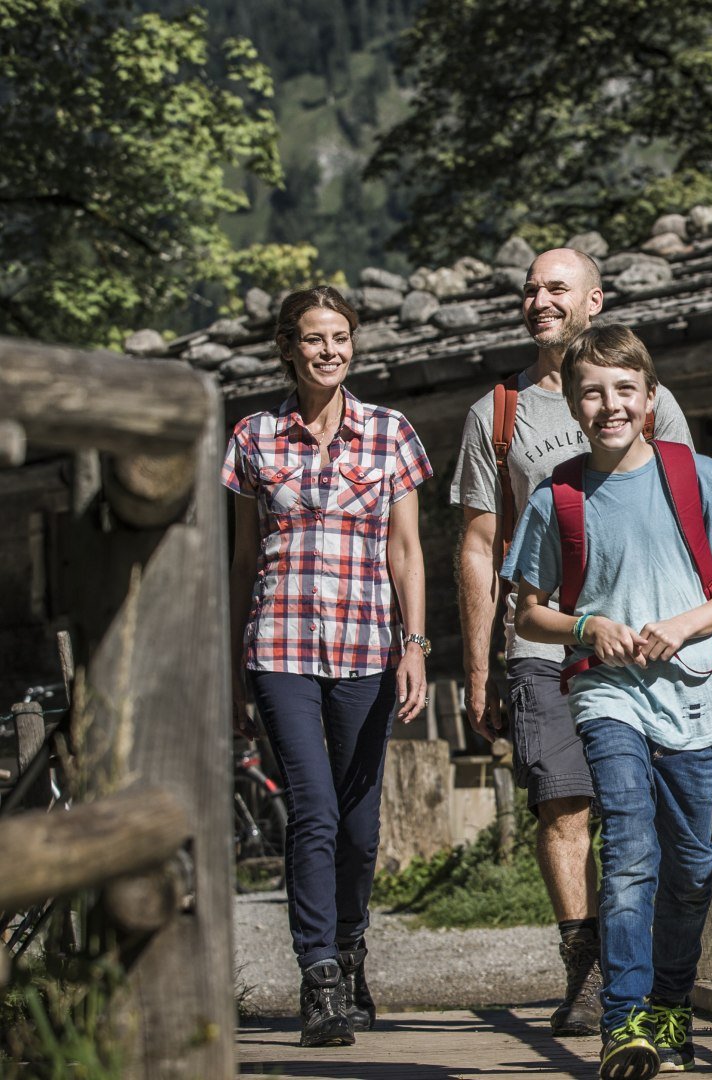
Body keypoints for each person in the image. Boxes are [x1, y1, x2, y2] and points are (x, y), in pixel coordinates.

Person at [506, 324, 712, 1078]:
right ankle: (624, 1021)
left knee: (690, 865)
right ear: (574, 405)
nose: (609, 405)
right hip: (606, 694)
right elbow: (527, 612)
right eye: (592, 392)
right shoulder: (560, 496)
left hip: (688, 696)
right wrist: (588, 624)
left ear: (650, 400)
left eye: (625, 390)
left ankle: (671, 1005)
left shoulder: (696, 478)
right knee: (627, 851)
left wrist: (686, 624)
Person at [448, 247, 691, 1035]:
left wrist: (689, 635)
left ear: (595, 299)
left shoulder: (650, 402)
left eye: (556, 288)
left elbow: (685, 521)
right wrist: (479, 667)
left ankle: (643, 967)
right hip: (543, 647)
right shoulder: (499, 413)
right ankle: (587, 975)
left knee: (641, 814)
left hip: (642, 648)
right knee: (564, 808)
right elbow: (480, 547)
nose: (539, 300)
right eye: (529, 289)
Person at [224, 286, 431, 1048]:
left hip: (368, 650)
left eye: (340, 337)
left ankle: (349, 949)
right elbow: (244, 558)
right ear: (289, 347)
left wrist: (415, 646)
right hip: (279, 647)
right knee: (311, 807)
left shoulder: (390, 433)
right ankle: (317, 978)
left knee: (359, 824)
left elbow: (406, 551)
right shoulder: (252, 436)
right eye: (314, 339)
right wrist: (228, 667)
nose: (329, 351)